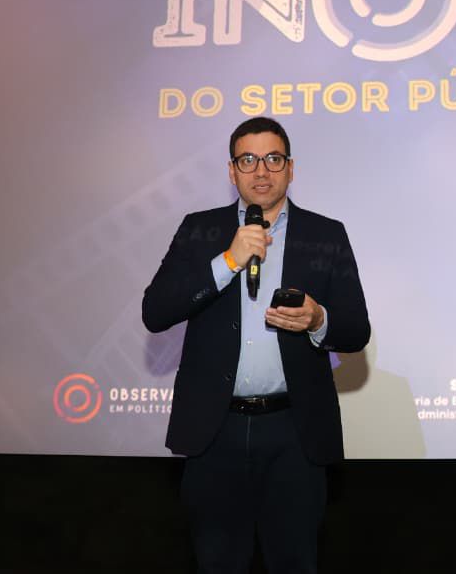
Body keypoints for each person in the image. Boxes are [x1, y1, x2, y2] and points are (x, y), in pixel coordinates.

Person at [142, 116, 370, 573]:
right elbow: (156, 311)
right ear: (232, 171)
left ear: (291, 168)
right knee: (217, 562)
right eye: (248, 159)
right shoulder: (199, 230)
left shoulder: (326, 234)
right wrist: (229, 260)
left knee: (295, 562)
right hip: (214, 431)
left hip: (295, 431)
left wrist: (318, 319)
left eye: (273, 159)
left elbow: (355, 330)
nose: (261, 170)